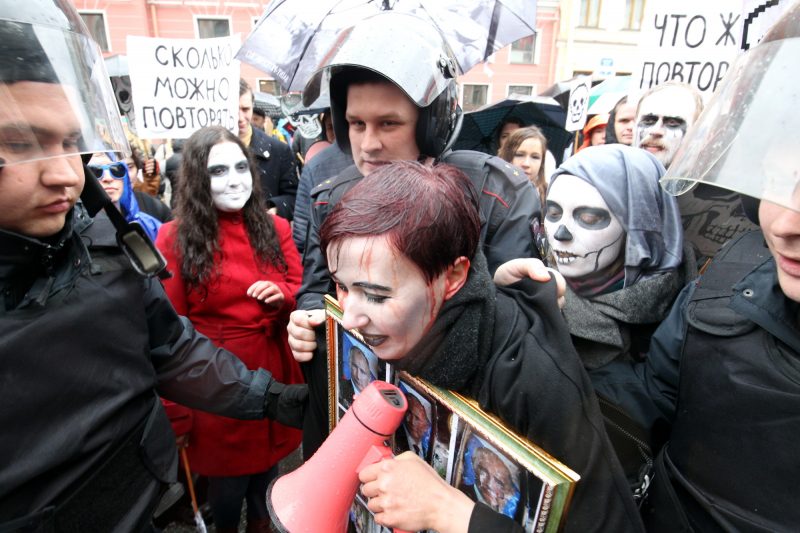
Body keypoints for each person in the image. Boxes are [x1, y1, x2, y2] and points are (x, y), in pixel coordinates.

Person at [0, 3, 306, 530]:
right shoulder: (170, 239)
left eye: (73, 143)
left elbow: (172, 347)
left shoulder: (106, 243)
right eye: (21, 144)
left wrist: (275, 396)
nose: (64, 174)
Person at [321, 160, 643, 532]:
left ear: (454, 276)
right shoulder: (383, 324)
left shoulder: (534, 380)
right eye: (342, 287)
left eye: (376, 295)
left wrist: (451, 512)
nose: (351, 318)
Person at [288, 12, 543, 458]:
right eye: (356, 124)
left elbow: (520, 341)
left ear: (432, 122)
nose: (368, 144)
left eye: (389, 124)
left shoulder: (495, 195)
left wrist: (514, 290)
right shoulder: (331, 197)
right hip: (363, 414)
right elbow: (316, 289)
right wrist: (307, 321)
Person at [592, 8, 800, 530]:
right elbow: (644, 410)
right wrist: (555, 329)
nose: (785, 223)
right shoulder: (721, 286)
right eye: (776, 181)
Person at [154, 126, 304, 533]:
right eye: (218, 171)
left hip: (272, 370)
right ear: (198, 180)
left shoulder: (277, 229)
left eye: (242, 167)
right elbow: (167, 334)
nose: (235, 179)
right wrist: (178, 418)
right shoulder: (174, 238)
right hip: (215, 381)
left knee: (267, 482)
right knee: (228, 487)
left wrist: (282, 298)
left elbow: (298, 289)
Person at [544, 144, 695, 491]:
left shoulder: (689, 317)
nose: (561, 234)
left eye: (590, 217)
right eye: (553, 213)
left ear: (640, 223)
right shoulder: (532, 293)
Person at [635, 80, 759, 262]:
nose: (655, 131)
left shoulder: (722, 201)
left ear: (699, 134)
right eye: (649, 121)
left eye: (672, 123)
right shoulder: (603, 188)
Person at [238, 79, 299, 220]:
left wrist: (276, 209)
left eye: (245, 109)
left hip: (264, 235)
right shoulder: (206, 150)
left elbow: (294, 198)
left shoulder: (279, 151)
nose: (240, 118)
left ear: (252, 107)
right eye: (233, 110)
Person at [88, 151, 163, 240]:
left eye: (116, 169)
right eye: (96, 171)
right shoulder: (74, 231)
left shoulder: (149, 225)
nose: (108, 178)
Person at [498, 125, 548, 204]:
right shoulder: (492, 194)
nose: (526, 164)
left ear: (542, 162)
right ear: (507, 157)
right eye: (519, 155)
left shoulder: (550, 197)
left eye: (535, 157)